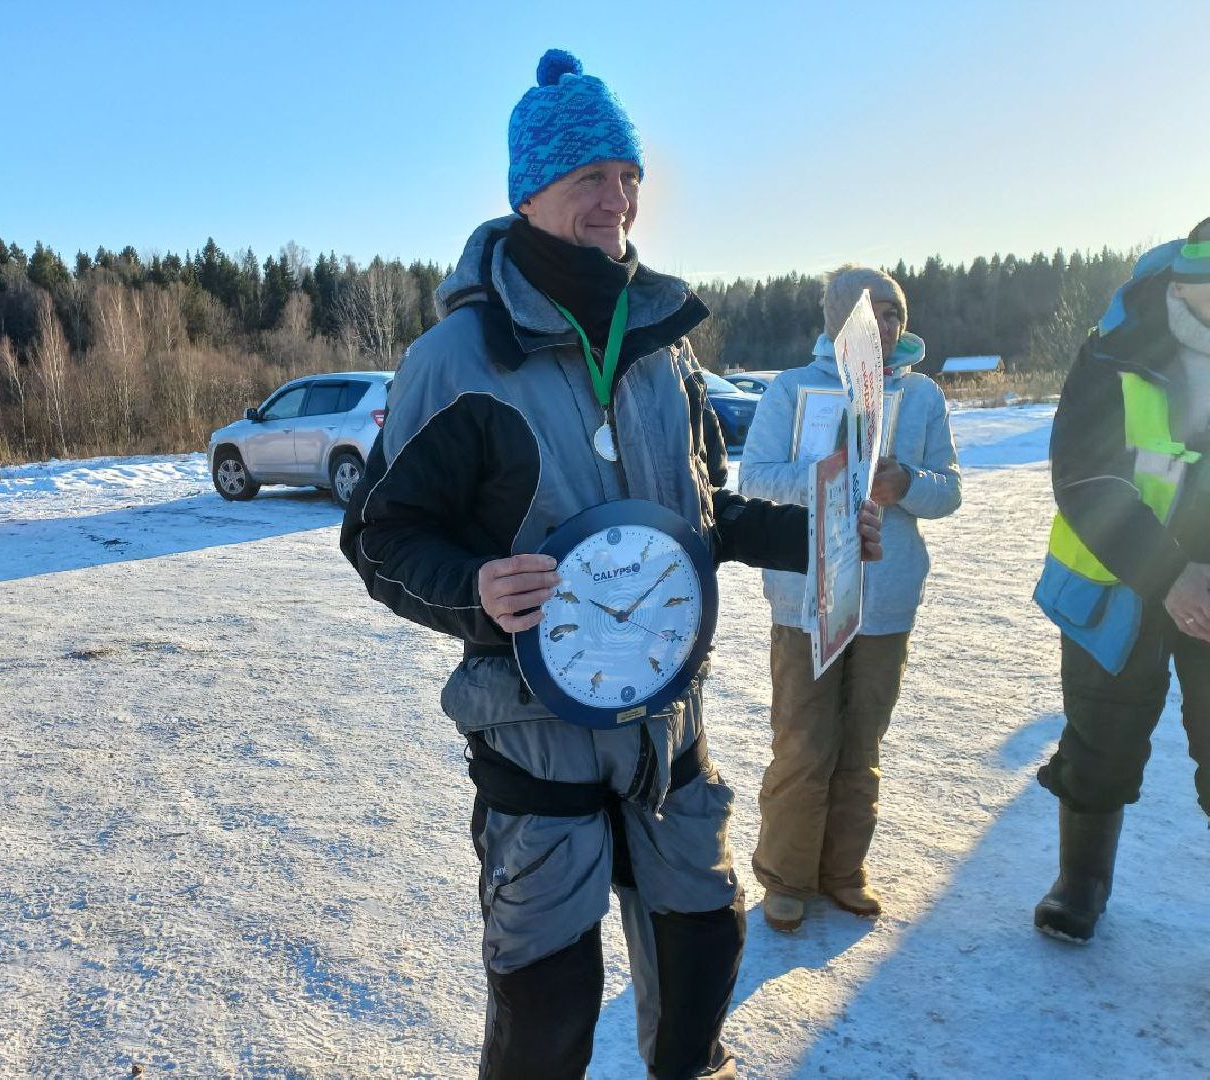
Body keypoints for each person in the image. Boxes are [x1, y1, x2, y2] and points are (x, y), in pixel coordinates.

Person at [341, 49, 881, 1080]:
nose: (617, 198)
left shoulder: (662, 345)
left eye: (629, 176)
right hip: (537, 741)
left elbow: (701, 515)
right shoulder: (458, 359)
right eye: (592, 175)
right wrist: (474, 589)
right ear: (530, 189)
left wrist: (812, 531)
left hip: (669, 728)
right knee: (549, 1008)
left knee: (703, 958)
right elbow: (381, 534)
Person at [737, 267, 961, 933]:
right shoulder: (793, 389)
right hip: (805, 598)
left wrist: (906, 481)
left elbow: (949, 487)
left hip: (886, 603)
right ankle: (786, 876)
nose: (886, 326)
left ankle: (843, 871)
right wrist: (831, 479)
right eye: (873, 312)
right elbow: (754, 476)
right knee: (804, 742)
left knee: (862, 744)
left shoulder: (919, 396)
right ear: (839, 319)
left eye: (895, 313)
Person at [1032, 216, 1210, 943]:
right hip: (1120, 581)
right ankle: (1081, 885)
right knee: (1102, 741)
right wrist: (1169, 574)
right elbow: (1084, 473)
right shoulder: (1118, 349)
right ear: (1192, 282)